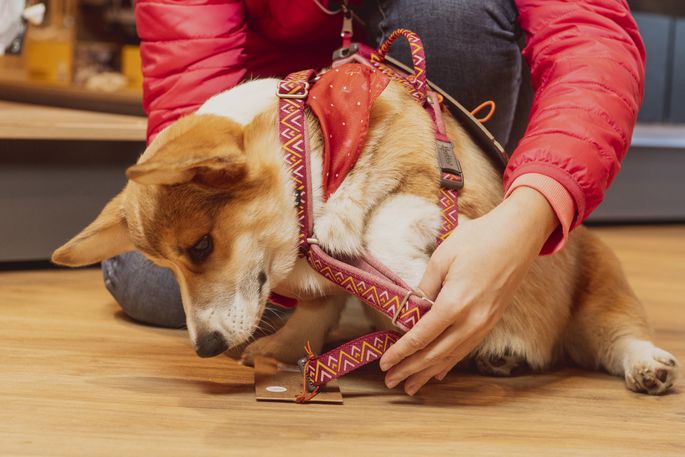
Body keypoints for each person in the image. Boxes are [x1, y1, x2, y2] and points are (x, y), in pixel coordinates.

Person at [103, 0, 645, 395]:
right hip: (274, 129)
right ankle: (346, 285)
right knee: (143, 279)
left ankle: (449, 237)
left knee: (454, 11)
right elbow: (194, 95)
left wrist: (528, 218)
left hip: (428, 108)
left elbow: (589, 36)